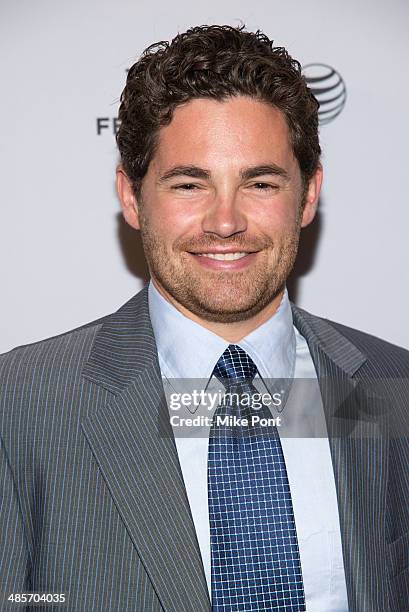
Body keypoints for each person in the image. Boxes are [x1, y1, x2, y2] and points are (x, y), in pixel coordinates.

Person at [1, 24, 408, 612]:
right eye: (189, 184)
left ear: (309, 194)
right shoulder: (22, 402)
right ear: (133, 198)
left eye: (260, 182)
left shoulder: (390, 388)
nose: (225, 222)